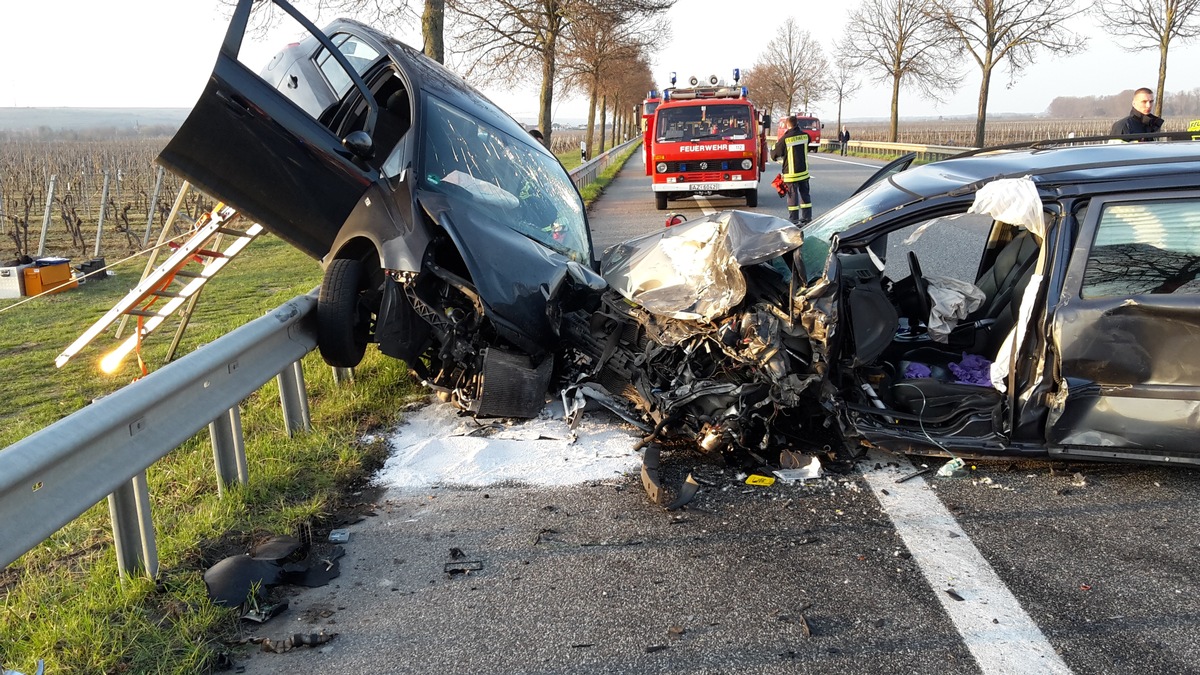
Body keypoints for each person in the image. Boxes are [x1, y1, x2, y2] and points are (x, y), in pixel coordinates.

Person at [771, 115, 812, 224]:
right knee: (805, 196)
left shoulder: (785, 138)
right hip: (804, 173)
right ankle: (807, 218)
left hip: (791, 175)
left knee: (792, 198)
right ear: (797, 123)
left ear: (787, 125)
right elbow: (808, 142)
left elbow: (775, 153)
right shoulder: (805, 136)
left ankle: (794, 220)